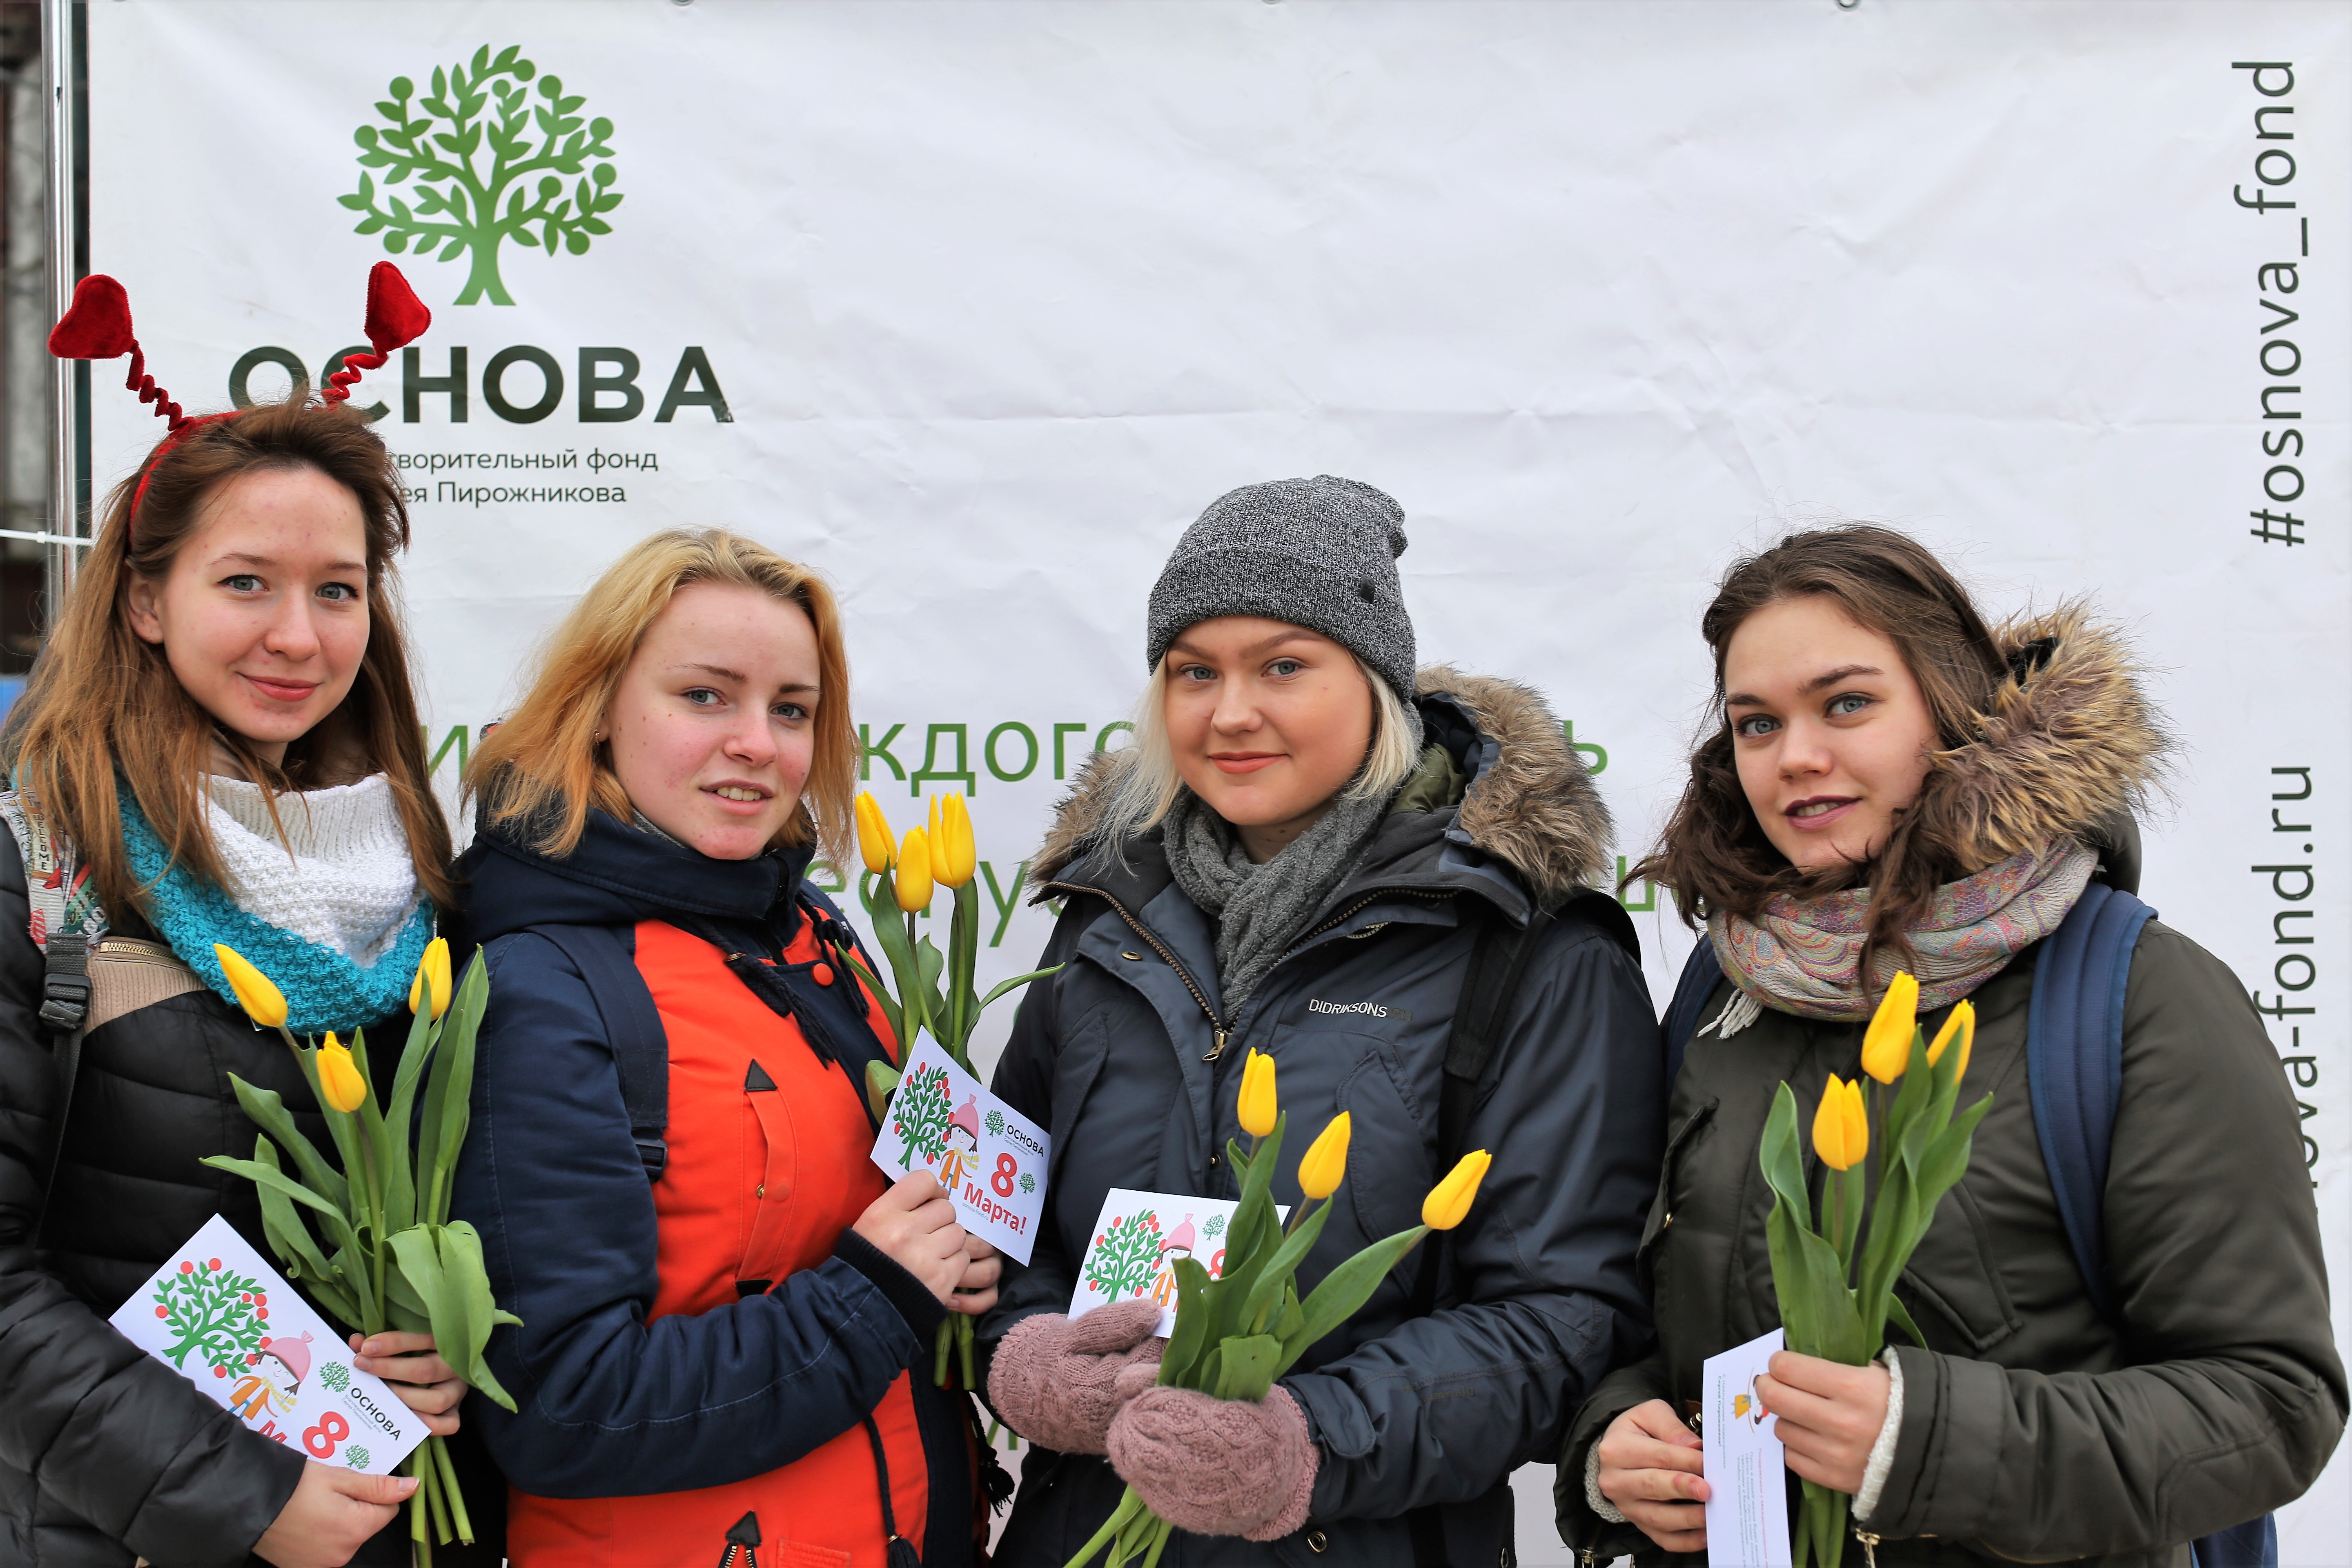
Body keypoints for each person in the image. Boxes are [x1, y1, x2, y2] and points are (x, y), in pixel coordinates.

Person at [1558, 525, 2347, 1565]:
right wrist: (1614, 1445)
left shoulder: (2142, 997)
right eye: (1757, 723)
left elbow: (2269, 1402)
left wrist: (1922, 1443)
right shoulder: (1728, 981)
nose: (1796, 757)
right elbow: (1671, 1317)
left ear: (1955, 707)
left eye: (1847, 704)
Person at [981, 477, 1663, 1566]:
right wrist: (1024, 1352)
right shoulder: (1107, 917)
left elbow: (1563, 1318)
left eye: (1283, 666)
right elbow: (999, 1216)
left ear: (1378, 684)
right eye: (1193, 672)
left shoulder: (1526, 948)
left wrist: (1305, 1446)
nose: (1230, 712)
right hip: (1084, 1534)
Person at [0, 272, 471, 1568]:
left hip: (389, 1514)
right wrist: (248, 1495)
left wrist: (445, 1327)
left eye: (337, 590)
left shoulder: (419, 876)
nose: (299, 636)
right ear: (147, 602)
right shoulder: (46, 866)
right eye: (247, 582)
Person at [450, 529, 998, 1567]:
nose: (759, 743)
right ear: (600, 707)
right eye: (706, 697)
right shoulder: (541, 985)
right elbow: (563, 1406)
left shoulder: (817, 932)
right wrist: (879, 1296)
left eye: (791, 709)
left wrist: (953, 1259)